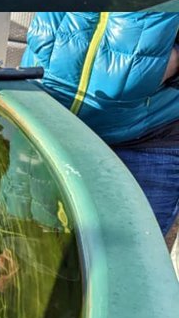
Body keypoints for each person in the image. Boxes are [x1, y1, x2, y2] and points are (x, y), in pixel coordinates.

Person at [20, 12, 179, 237]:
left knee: (123, 255)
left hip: (144, 140)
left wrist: (173, 62)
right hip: (41, 121)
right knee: (26, 244)